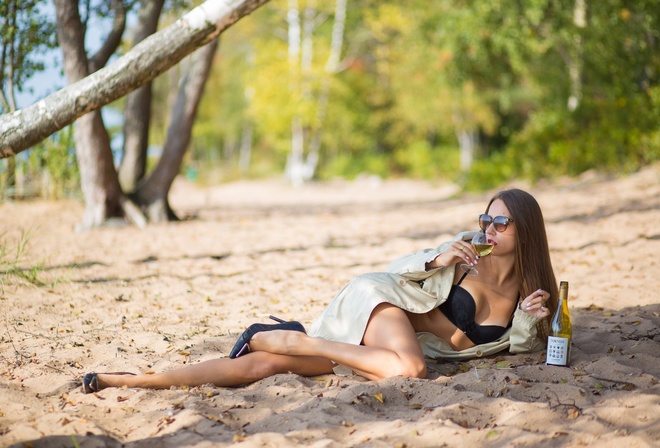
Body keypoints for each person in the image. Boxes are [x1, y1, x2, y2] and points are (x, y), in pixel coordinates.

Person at [82, 188, 558, 393]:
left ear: (526, 230)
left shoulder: (529, 299)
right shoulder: (461, 255)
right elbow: (394, 275)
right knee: (412, 370)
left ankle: (129, 380)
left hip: (373, 352)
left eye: (501, 221)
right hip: (378, 307)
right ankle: (301, 338)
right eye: (485, 219)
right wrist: (436, 259)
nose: (488, 228)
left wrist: (525, 327)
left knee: (263, 366)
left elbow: (523, 348)